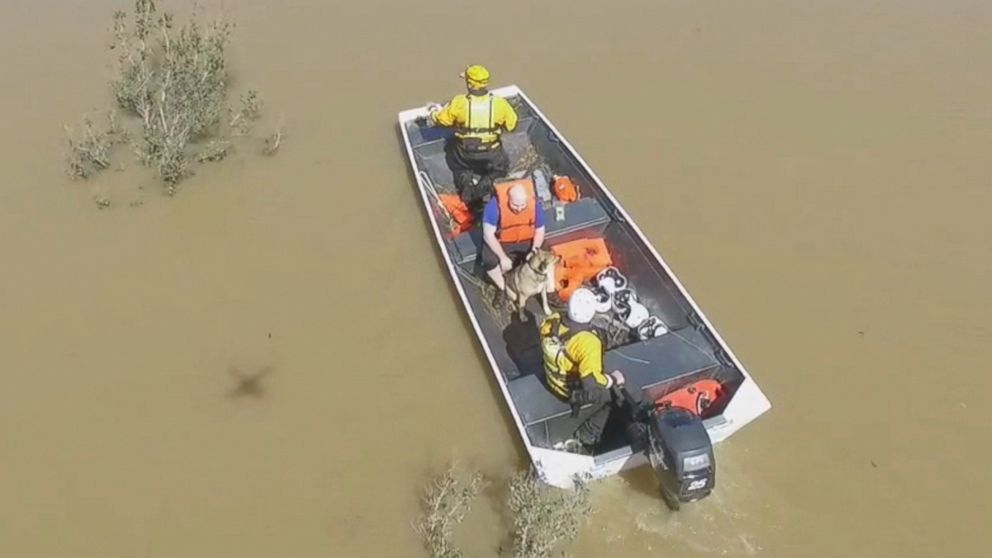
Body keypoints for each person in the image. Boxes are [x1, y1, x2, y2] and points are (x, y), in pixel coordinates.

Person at [539, 287, 626, 452]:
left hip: (551, 379)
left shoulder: (552, 320)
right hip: (569, 392)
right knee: (614, 395)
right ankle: (588, 435)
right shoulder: (588, 343)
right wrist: (613, 379)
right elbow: (591, 383)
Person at [428, 64, 519, 217]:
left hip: (466, 153)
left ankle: (469, 190)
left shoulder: (459, 102)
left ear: (470, 84)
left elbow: (442, 120)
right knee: (500, 169)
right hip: (492, 151)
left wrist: (433, 112)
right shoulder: (499, 103)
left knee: (459, 166)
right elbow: (512, 125)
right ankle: (487, 184)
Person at [481, 179, 545, 295]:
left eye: (522, 205)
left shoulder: (535, 205)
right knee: (488, 259)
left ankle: (548, 290)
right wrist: (502, 257)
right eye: (515, 205)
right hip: (503, 241)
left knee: (545, 253)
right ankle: (504, 289)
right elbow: (488, 235)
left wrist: (534, 251)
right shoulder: (493, 207)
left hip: (525, 239)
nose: (519, 209)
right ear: (508, 199)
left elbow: (540, 230)